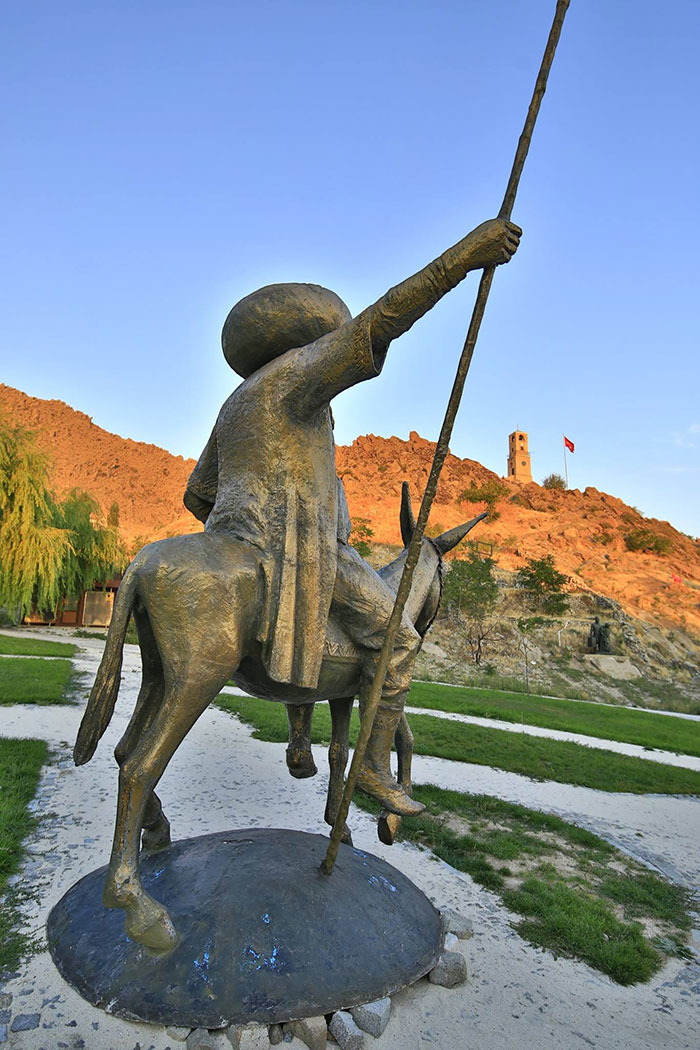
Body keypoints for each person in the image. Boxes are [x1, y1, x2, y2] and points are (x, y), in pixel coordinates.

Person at [184, 217, 521, 814]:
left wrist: (233, 533)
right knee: (398, 637)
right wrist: (466, 256)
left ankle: (303, 735)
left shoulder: (237, 402)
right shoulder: (300, 375)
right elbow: (384, 316)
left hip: (237, 541)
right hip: (296, 547)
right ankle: (370, 766)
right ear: (308, 343)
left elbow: (198, 497)